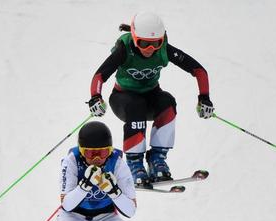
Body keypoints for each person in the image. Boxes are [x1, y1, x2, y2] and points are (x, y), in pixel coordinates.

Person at [87, 11, 215, 187]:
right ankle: (134, 162)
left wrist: (204, 98)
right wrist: (95, 97)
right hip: (123, 99)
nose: (149, 49)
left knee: (168, 102)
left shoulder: (163, 50)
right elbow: (100, 76)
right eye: (144, 43)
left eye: (155, 43)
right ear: (134, 38)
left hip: (151, 97)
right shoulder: (125, 49)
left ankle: (157, 159)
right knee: (136, 105)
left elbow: (199, 71)